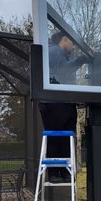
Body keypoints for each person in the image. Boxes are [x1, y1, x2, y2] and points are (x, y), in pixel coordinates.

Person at [39, 31, 86, 183]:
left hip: (63, 103)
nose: (72, 46)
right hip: (55, 103)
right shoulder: (54, 51)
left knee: (65, 138)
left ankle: (64, 172)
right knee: (57, 137)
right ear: (64, 40)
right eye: (71, 43)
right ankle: (54, 173)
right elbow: (64, 69)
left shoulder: (60, 55)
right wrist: (83, 59)